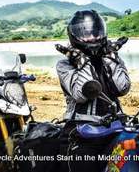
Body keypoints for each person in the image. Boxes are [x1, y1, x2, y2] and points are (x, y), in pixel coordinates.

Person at [56, 10, 131, 172]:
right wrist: (83, 62)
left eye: (95, 33)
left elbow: (122, 88)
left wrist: (111, 58)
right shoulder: (65, 65)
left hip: (115, 126)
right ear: (74, 36)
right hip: (82, 132)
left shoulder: (109, 58)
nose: (92, 38)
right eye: (86, 34)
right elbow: (80, 94)